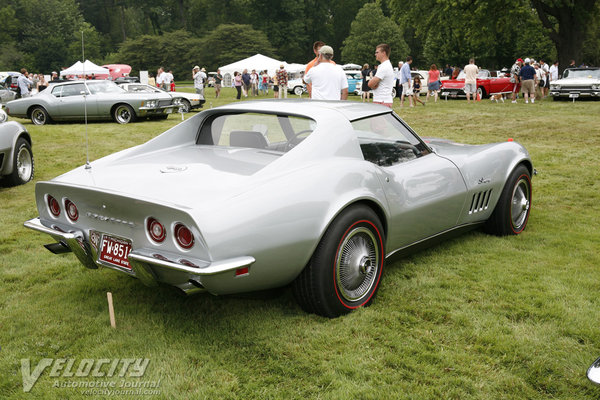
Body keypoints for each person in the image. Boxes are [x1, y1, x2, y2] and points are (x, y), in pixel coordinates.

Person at [368, 44, 395, 108]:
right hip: (382, 100)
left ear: (384, 53)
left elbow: (370, 84)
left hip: (382, 100)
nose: (375, 54)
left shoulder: (384, 67)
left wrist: (372, 82)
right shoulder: (385, 65)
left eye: (377, 52)